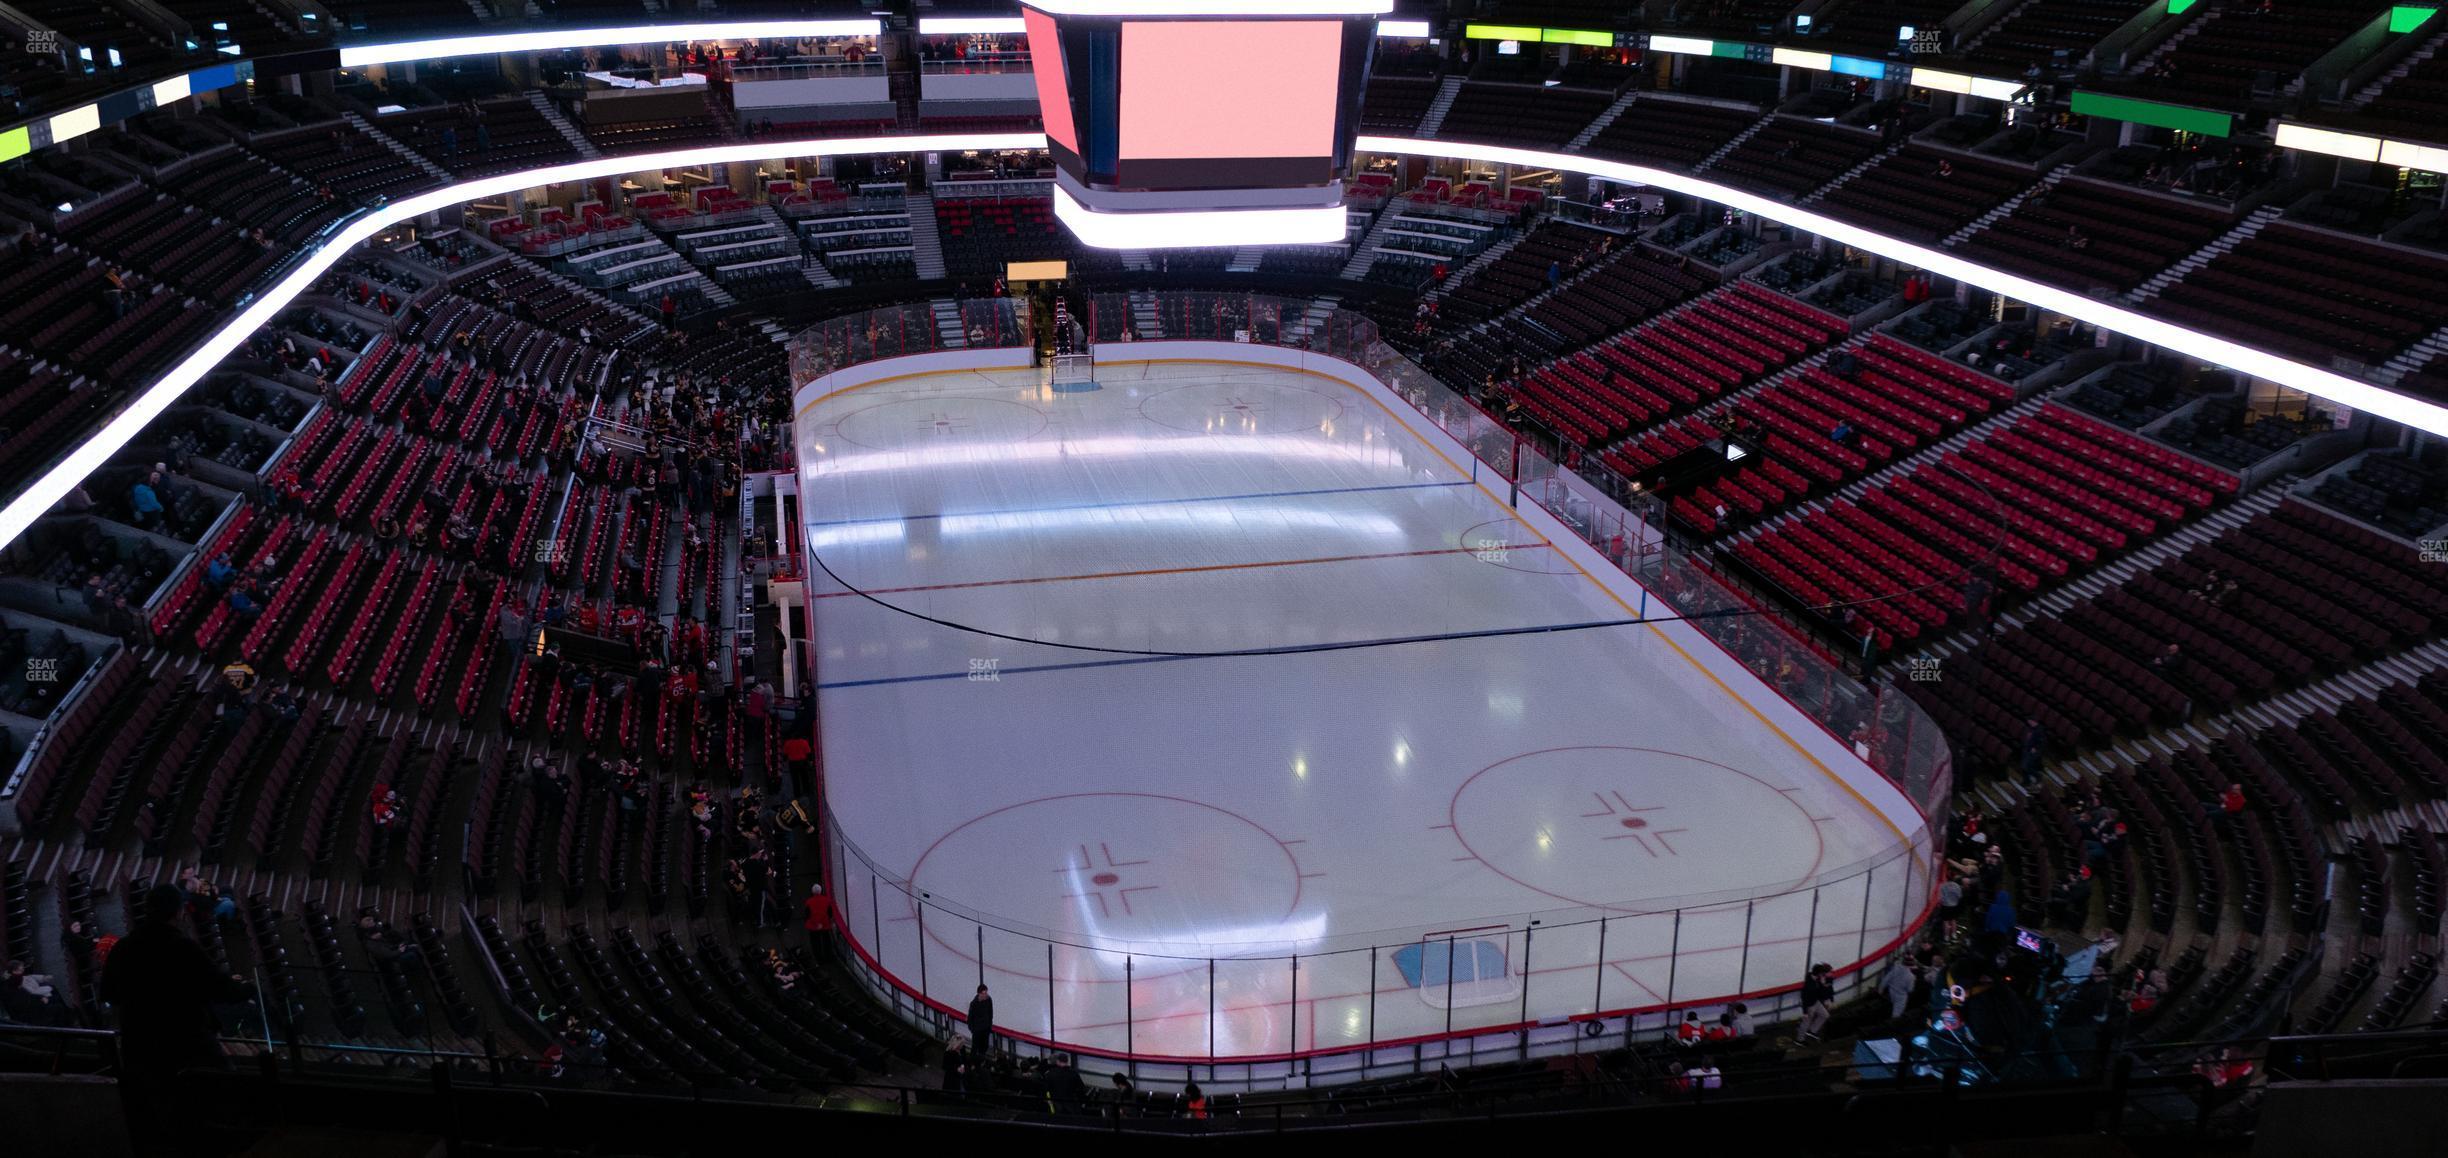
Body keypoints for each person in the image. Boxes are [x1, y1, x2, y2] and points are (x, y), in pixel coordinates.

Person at [102, 884, 248, 1152]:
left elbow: (109, 992)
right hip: (185, 1038)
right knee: (223, 1085)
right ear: (179, 912)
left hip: (141, 1042)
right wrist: (245, 988)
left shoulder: (124, 947)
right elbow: (220, 989)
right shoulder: (182, 947)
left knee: (161, 1107)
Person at [1796, 962, 1836, 1043]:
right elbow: (1804, 998)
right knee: (1806, 1022)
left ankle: (1812, 1031)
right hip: (1809, 1004)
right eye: (1822, 974)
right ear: (1819, 974)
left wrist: (1823, 983)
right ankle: (1799, 1040)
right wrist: (1805, 1012)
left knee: (1825, 1015)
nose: (1823, 975)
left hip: (1815, 1001)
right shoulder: (1810, 985)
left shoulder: (1815, 979)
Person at [802, 883, 832, 955]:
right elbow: (830, 913)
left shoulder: (808, 902)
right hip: (825, 925)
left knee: (815, 942)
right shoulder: (827, 900)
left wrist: (815, 923)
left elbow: (807, 915)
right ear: (820, 891)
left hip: (813, 926)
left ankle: (818, 958)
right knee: (826, 941)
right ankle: (828, 955)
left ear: (812, 892)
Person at [968, 983, 996, 1058]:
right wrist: (973, 1029)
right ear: (979, 994)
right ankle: (972, 1063)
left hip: (986, 1028)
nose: (986, 995)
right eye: (984, 993)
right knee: (975, 1048)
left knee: (984, 1047)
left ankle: (981, 1061)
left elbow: (990, 1012)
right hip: (977, 1030)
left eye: (986, 993)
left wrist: (989, 1025)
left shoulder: (989, 999)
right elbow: (970, 1018)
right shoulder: (974, 1004)